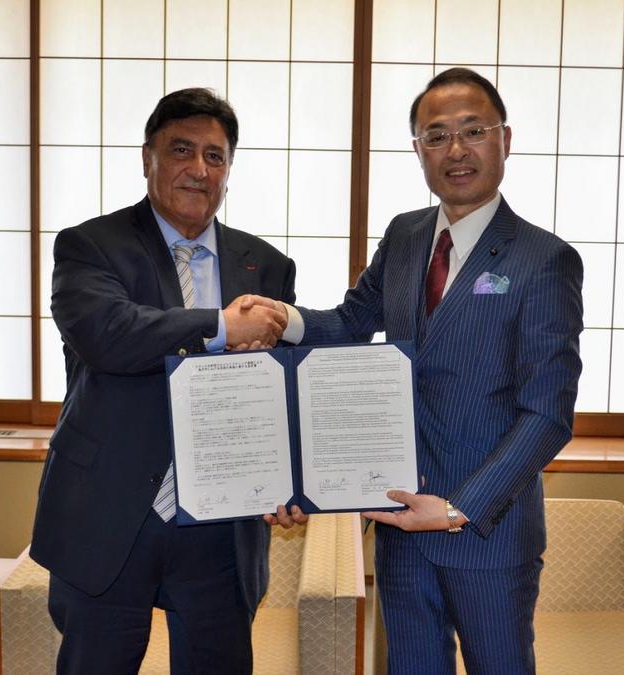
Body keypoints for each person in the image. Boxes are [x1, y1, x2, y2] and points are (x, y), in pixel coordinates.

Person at [273, 68, 584, 673]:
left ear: (505, 139)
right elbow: (350, 322)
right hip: (398, 518)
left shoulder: (544, 259)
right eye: (436, 136)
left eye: (474, 130)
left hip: (487, 532)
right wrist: (279, 318)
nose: (456, 150)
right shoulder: (406, 234)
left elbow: (548, 415)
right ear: (418, 150)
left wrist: (456, 508)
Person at [30, 87, 305, 675]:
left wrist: (292, 481)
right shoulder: (90, 246)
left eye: (215, 156)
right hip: (108, 515)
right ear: (147, 158)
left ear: (228, 170)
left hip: (222, 528)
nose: (199, 168)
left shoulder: (266, 266)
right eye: (182, 150)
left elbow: (279, 390)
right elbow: (109, 334)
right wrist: (221, 327)